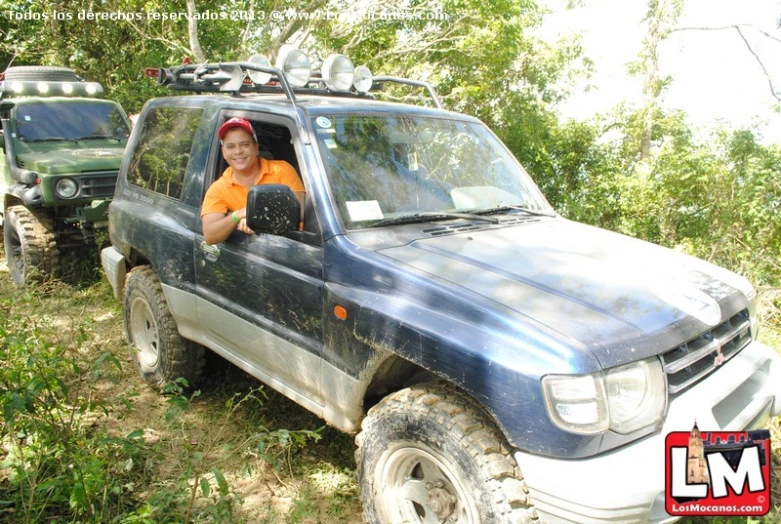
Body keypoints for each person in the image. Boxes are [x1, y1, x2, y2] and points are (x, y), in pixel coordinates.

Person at [201, 117, 305, 244]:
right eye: (231, 146)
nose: (238, 151)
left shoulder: (281, 170)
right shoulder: (218, 189)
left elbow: (300, 212)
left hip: (295, 247)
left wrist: (254, 218)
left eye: (244, 144)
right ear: (223, 152)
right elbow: (210, 236)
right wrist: (237, 215)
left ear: (256, 148)